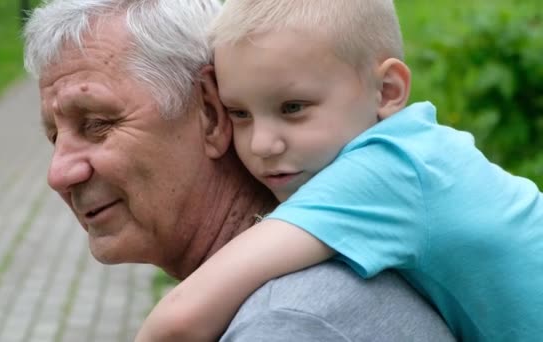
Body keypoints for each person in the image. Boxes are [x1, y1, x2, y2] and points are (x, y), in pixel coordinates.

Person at [24, 0, 455, 341]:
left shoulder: (286, 322)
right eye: (53, 138)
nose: (59, 174)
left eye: (97, 124)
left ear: (211, 114)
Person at [137, 0, 543, 341]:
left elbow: (179, 320)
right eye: (239, 113)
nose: (261, 144)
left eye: (293, 108)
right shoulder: (420, 150)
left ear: (387, 91)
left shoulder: (383, 174)